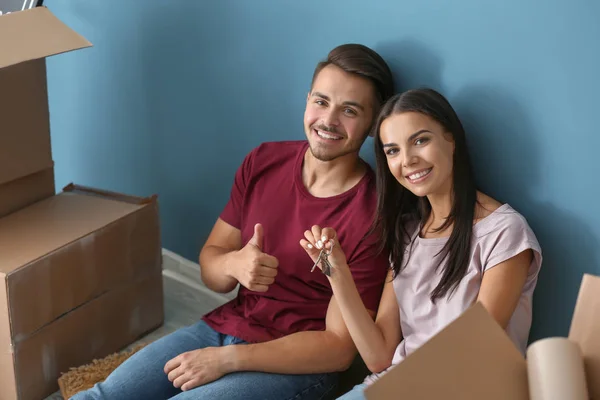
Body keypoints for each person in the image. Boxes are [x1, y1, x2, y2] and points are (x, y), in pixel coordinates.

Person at [72, 43, 395, 400]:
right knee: (101, 396)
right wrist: (234, 263)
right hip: (224, 327)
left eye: (349, 110)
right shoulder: (264, 161)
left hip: (296, 367)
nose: (329, 120)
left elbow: (337, 349)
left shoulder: (373, 212)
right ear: (307, 101)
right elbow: (211, 267)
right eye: (321, 101)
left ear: (372, 124)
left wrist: (227, 360)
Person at [300, 88, 543, 400]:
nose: (408, 160)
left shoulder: (504, 231)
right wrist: (338, 273)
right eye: (392, 151)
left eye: (420, 140)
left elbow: (477, 353)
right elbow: (378, 358)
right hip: (390, 387)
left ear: (451, 138)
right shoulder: (406, 233)